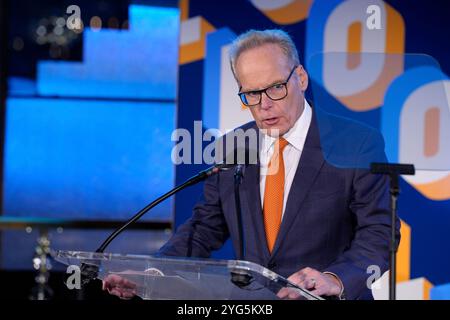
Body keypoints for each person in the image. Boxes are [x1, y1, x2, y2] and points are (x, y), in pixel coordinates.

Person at [104, 29, 400, 300]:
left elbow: (380, 230)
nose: (264, 104)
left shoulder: (356, 143)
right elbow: (204, 227)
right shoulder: (233, 145)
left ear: (301, 78)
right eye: (252, 94)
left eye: (275, 88)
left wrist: (336, 278)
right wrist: (154, 273)